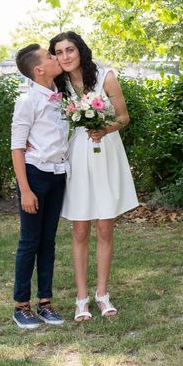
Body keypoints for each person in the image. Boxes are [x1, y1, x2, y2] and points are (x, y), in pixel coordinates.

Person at [51, 31, 138, 322]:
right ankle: (81, 298)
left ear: (80, 50)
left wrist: (104, 129)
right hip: (76, 154)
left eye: (70, 50)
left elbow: (124, 118)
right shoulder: (58, 83)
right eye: (59, 52)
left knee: (104, 227)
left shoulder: (105, 76)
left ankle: (102, 294)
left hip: (105, 151)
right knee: (79, 229)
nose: (65, 56)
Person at [11, 44, 69, 328]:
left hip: (58, 177)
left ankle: (45, 302)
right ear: (39, 70)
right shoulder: (27, 101)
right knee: (29, 242)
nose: (55, 58)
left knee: (48, 242)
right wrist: (25, 190)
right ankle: (21, 305)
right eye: (50, 57)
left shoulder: (61, 98)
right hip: (35, 176)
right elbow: (17, 148)